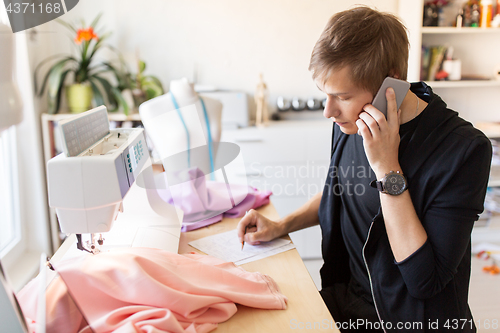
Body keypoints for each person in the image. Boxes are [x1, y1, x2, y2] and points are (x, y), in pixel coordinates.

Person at [237, 6, 491, 333]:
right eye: (325, 95)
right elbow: (341, 191)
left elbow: (424, 280)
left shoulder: (463, 149)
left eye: (341, 96)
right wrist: (281, 225)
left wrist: (387, 169)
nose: (329, 111)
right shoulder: (351, 122)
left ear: (393, 83)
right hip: (352, 300)